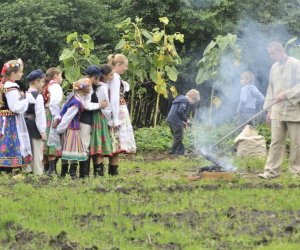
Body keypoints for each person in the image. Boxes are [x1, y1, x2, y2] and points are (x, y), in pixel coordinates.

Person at [258, 41, 300, 179]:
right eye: (269, 54)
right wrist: (269, 110)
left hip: (294, 110)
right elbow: (271, 89)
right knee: (276, 141)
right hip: (277, 110)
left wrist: (286, 94)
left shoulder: (295, 64)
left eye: (273, 53)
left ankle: (296, 172)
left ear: (281, 51)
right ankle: (271, 171)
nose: (271, 56)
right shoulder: (273, 67)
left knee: (296, 142)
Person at [0, 59, 35, 173]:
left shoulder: (4, 84)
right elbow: (15, 107)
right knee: (11, 142)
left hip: (4, 119)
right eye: (20, 71)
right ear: (13, 73)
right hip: (10, 120)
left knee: (5, 142)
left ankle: (6, 169)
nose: (22, 73)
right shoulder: (12, 86)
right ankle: (9, 170)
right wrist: (26, 99)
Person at [56, 78, 92, 179]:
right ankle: (71, 173)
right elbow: (68, 116)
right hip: (71, 128)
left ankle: (64, 172)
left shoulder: (72, 97)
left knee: (67, 149)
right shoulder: (76, 102)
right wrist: (60, 128)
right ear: (83, 90)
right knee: (73, 149)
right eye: (88, 88)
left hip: (69, 126)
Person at [107, 54, 136, 176]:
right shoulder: (115, 77)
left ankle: (113, 170)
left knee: (115, 142)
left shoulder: (114, 77)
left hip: (118, 109)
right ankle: (113, 171)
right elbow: (114, 98)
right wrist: (115, 117)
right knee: (115, 140)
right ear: (118, 65)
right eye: (125, 66)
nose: (125, 68)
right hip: (117, 110)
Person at [78, 65, 107, 178]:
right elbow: (85, 105)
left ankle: (85, 173)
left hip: (88, 119)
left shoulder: (86, 83)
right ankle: (83, 174)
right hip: (85, 119)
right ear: (90, 77)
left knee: (87, 146)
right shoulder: (86, 85)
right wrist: (100, 105)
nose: (97, 81)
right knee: (85, 146)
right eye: (96, 78)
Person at [89, 64, 113, 176]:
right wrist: (110, 119)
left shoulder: (92, 86)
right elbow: (106, 104)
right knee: (98, 145)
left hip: (91, 116)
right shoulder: (102, 87)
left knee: (94, 144)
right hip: (100, 116)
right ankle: (99, 173)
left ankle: (97, 172)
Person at [24, 69, 47, 175]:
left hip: (24, 125)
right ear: (36, 81)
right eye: (42, 81)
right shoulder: (38, 96)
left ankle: (27, 171)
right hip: (34, 125)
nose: (43, 84)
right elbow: (40, 115)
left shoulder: (24, 94)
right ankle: (38, 172)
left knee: (27, 149)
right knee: (37, 150)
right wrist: (43, 131)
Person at [166, 89, 200, 155]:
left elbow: (176, 111)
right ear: (192, 97)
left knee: (178, 137)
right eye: (194, 101)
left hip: (171, 119)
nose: (193, 103)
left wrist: (182, 122)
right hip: (175, 120)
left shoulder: (180, 98)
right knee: (179, 137)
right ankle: (173, 152)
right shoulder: (185, 100)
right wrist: (186, 120)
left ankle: (181, 152)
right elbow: (180, 111)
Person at [43, 67, 63, 176]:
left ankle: (47, 169)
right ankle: (52, 170)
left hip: (46, 113)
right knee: (53, 139)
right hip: (52, 114)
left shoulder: (47, 85)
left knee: (47, 140)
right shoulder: (55, 86)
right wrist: (57, 116)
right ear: (55, 75)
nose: (61, 78)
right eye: (60, 75)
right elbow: (54, 103)